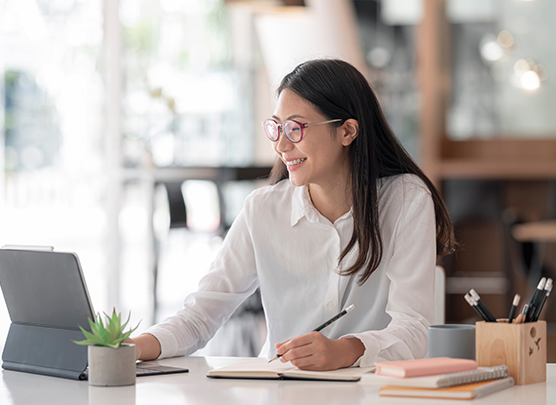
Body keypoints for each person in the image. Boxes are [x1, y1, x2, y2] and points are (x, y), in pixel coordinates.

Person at [127, 59, 456, 371]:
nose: (281, 146)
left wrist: (346, 350)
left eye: (296, 128)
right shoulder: (262, 209)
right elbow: (201, 315)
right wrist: (132, 347)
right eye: (276, 128)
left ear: (347, 131)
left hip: (371, 392)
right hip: (281, 388)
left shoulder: (405, 200)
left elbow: (414, 327)